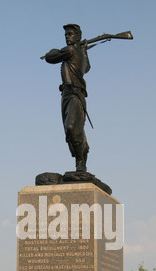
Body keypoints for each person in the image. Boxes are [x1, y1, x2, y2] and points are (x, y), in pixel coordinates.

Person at [44, 24, 91, 172]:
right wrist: (83, 51)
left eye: (70, 34)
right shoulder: (77, 52)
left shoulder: (70, 50)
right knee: (71, 129)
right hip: (67, 94)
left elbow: (50, 57)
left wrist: (81, 51)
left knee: (71, 127)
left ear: (78, 37)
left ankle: (80, 160)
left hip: (75, 94)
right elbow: (87, 67)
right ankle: (83, 152)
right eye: (66, 34)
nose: (67, 36)